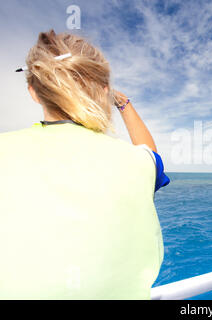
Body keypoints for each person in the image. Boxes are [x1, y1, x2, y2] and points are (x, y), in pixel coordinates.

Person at [0, 30, 169, 299]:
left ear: (33, 92)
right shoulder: (138, 163)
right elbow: (151, 155)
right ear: (104, 91)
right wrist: (123, 102)